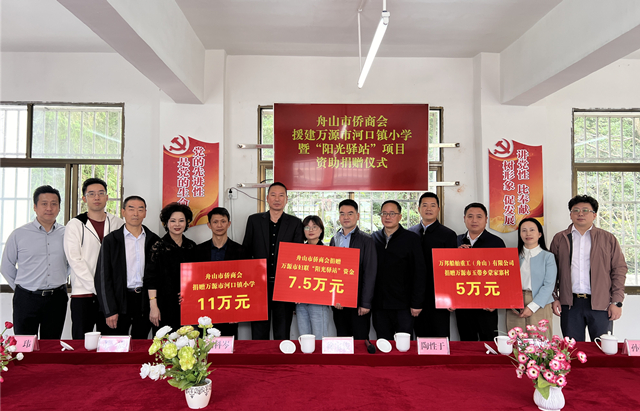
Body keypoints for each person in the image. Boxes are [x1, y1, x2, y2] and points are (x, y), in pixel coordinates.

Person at [549, 195, 627, 342]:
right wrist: (554, 297)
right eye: (576, 210)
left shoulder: (608, 239)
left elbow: (619, 270)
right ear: (570, 214)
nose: (580, 213)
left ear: (594, 215)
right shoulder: (560, 238)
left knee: (601, 348)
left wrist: (616, 301)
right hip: (570, 304)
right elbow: (551, 271)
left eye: (585, 210)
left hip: (601, 304)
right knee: (572, 349)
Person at [1, 185, 68, 339]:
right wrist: (23, 288)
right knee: (24, 344)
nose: (49, 208)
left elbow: (72, 262)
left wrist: (61, 275)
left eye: (54, 204)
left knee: (51, 345)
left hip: (57, 298)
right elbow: (6, 266)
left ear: (59, 208)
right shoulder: (19, 234)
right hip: (26, 298)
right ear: (35, 207)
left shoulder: (67, 234)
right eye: (44, 204)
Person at [242, 182, 304, 340]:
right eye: (273, 195)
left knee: (282, 332)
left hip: (284, 286)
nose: (277, 199)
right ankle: (260, 357)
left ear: (286, 199)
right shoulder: (254, 220)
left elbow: (298, 258)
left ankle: (281, 357)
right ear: (267, 198)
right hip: (258, 285)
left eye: (281, 195)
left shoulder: (295, 223)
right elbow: (246, 252)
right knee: (259, 332)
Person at [64, 178, 124, 339]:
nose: (96, 197)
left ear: (107, 197)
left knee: (110, 341)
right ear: (84, 198)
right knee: (82, 341)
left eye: (101, 193)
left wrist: (107, 292)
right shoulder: (75, 224)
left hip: (111, 297)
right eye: (91, 194)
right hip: (83, 294)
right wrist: (98, 288)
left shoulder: (118, 223)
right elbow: (74, 260)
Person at [95, 196, 160, 338]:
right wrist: (109, 310)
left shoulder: (154, 240)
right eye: (131, 209)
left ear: (145, 213)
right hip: (119, 300)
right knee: (116, 344)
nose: (135, 213)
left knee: (140, 343)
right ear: (123, 212)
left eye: (140, 209)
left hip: (144, 301)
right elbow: (103, 277)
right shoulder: (111, 240)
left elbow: (156, 276)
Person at [371, 200, 426, 340]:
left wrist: (417, 303)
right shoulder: (373, 239)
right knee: (383, 343)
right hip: (380, 305)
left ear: (400, 216)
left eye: (392, 213)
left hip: (404, 306)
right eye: (384, 213)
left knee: (404, 345)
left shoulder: (411, 239)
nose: (387, 217)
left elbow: (419, 273)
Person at [192, 207, 249, 339]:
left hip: (230, 308)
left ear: (229, 224)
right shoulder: (198, 251)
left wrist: (238, 311)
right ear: (209, 225)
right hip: (204, 308)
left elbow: (245, 283)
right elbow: (193, 280)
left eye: (223, 221)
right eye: (215, 222)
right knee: (205, 347)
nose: (219, 225)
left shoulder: (241, 251)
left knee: (228, 346)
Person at [408, 192, 458, 338]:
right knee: (419, 337)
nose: (428, 209)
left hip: (439, 296)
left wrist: (452, 297)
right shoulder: (410, 234)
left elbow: (452, 269)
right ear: (418, 209)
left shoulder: (448, 235)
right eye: (424, 205)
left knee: (440, 336)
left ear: (438, 209)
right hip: (415, 296)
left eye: (432, 205)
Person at [456, 202, 506, 341]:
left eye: (479, 216)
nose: (474, 220)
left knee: (489, 341)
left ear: (486, 219)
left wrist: (496, 302)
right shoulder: (456, 241)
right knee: (466, 342)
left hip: (487, 303)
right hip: (463, 301)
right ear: (464, 218)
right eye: (470, 216)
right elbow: (448, 272)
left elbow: (503, 275)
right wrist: (455, 254)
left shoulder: (496, 243)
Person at [144, 203, 196, 333]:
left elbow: (197, 277)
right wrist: (153, 307)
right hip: (163, 304)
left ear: (187, 223)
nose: (177, 224)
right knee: (165, 342)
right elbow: (151, 279)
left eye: (181, 220)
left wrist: (190, 295)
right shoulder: (157, 247)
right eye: (173, 221)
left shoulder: (191, 246)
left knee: (187, 342)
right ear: (166, 223)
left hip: (187, 304)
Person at [330, 199, 377, 340]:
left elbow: (370, 273)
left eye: (350, 213)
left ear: (357, 216)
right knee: (342, 339)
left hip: (358, 303)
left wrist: (365, 303)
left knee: (360, 340)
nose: (346, 217)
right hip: (339, 302)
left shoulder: (366, 240)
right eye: (342, 214)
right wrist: (334, 298)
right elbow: (331, 272)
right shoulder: (334, 239)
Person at [505, 218, 556, 339]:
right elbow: (506, 282)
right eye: (524, 230)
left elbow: (549, 285)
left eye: (532, 230)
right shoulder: (512, 256)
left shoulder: (548, 257)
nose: (528, 233)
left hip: (540, 303)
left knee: (540, 343)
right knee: (516, 342)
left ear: (539, 234)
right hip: (515, 304)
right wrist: (512, 303)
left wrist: (532, 307)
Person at [296, 215, 333, 340]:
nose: (310, 230)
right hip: (300, 303)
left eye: (315, 227)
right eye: (307, 227)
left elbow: (332, 279)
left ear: (321, 230)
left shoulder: (329, 253)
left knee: (319, 339)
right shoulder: (297, 252)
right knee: (304, 339)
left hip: (319, 303)